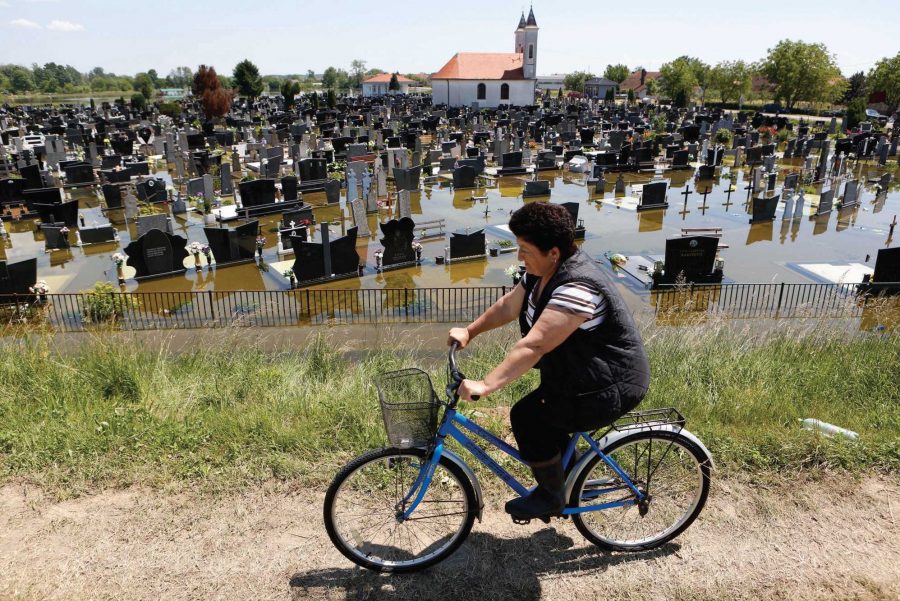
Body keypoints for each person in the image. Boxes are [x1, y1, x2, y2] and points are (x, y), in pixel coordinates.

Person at [448, 202, 650, 521]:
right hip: (580, 375)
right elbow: (508, 306)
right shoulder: (540, 271)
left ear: (553, 252)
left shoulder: (577, 287)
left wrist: (485, 385)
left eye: (525, 249)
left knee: (529, 418)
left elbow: (536, 344)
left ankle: (551, 495)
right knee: (546, 413)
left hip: (608, 384)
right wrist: (469, 331)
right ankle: (570, 476)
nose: (519, 256)